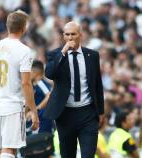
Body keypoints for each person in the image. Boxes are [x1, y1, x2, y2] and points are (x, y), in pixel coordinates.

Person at [0, 10, 39, 158]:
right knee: (9, 149)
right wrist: (33, 111)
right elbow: (26, 83)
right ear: (24, 28)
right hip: (13, 106)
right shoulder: (25, 51)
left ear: (7, 26)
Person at [43, 21, 104, 158]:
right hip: (65, 113)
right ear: (63, 36)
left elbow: (97, 84)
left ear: (80, 35)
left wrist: (101, 111)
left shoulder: (92, 55)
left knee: (88, 154)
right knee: (67, 155)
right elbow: (49, 74)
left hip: (87, 112)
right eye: (67, 34)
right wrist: (63, 53)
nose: (70, 38)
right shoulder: (55, 54)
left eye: (73, 34)